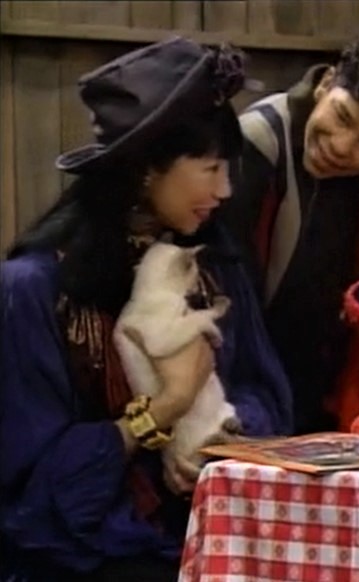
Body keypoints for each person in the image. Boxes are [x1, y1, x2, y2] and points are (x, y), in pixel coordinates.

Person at [0, 37, 293, 581]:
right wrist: (162, 411)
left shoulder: (214, 265)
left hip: (210, 532)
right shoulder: (33, 291)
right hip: (83, 560)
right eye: (210, 167)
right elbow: (32, 488)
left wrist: (219, 442)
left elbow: (265, 390)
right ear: (144, 170)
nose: (226, 190)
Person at [222, 28, 359, 435]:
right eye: (342, 116)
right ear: (326, 83)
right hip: (247, 388)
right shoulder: (255, 144)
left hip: (342, 397)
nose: (342, 147)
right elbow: (229, 305)